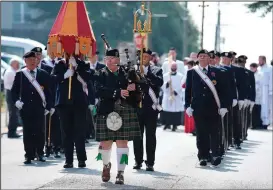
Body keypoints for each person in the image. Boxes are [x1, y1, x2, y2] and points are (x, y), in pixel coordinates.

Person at [94, 48, 141, 185]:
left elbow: (140, 88)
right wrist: (117, 92)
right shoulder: (100, 73)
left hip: (125, 109)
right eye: (107, 59)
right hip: (106, 110)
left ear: (118, 60)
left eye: (112, 59)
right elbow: (98, 90)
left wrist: (134, 87)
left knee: (122, 143)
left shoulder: (127, 73)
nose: (109, 61)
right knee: (105, 143)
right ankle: (106, 165)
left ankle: (121, 172)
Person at [185, 49, 229, 166]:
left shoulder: (216, 72)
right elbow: (188, 91)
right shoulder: (192, 72)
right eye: (201, 56)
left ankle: (215, 155)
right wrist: (187, 106)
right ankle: (203, 156)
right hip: (198, 108)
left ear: (210, 59)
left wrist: (223, 106)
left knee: (214, 132)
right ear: (198, 58)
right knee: (201, 133)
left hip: (213, 107)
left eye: (205, 56)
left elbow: (223, 90)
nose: (203, 58)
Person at [11, 51, 53, 164]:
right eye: (30, 60)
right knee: (28, 132)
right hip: (26, 108)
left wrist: (49, 106)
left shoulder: (43, 74)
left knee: (40, 131)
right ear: (25, 61)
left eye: (35, 60)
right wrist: (16, 102)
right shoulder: (21, 74)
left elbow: (49, 92)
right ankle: (28, 155)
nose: (33, 62)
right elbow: (14, 91)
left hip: (40, 107)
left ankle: (40, 153)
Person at [52, 53, 90, 168]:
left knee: (79, 132)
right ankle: (68, 160)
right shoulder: (60, 64)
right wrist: (65, 75)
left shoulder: (83, 64)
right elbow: (53, 79)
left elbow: (88, 78)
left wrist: (77, 67)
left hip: (79, 103)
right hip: (64, 103)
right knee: (66, 132)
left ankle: (81, 159)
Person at [133, 48, 163, 171]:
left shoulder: (157, 70)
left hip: (151, 108)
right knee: (137, 136)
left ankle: (150, 162)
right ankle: (138, 160)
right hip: (137, 107)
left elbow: (159, 82)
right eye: (142, 56)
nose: (144, 58)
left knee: (150, 136)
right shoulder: (134, 70)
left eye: (146, 56)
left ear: (151, 58)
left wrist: (147, 73)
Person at [161, 62, 183, 131]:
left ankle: (174, 125)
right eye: (172, 66)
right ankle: (167, 124)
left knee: (175, 111)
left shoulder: (180, 76)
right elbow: (162, 85)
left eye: (175, 66)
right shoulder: (165, 76)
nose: (173, 67)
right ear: (170, 67)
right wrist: (167, 84)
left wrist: (176, 91)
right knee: (167, 110)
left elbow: (181, 85)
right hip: (168, 95)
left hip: (176, 95)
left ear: (176, 67)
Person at [4, 58, 22, 138]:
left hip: (11, 93)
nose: (18, 65)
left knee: (14, 114)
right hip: (11, 93)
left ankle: (12, 131)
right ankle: (11, 133)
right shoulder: (11, 72)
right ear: (12, 64)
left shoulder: (11, 71)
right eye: (17, 63)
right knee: (13, 114)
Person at [257, 55, 272, 129]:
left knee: (265, 107)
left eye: (260, 60)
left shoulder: (269, 68)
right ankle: (260, 121)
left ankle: (266, 123)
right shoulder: (259, 69)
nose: (259, 62)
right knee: (260, 106)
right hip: (259, 90)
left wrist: (270, 91)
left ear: (264, 60)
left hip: (266, 89)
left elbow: (271, 79)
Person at [249, 63, 263, 129]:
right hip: (251, 94)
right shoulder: (249, 74)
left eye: (252, 68)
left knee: (257, 110)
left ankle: (256, 124)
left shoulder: (260, 75)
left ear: (255, 68)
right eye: (250, 68)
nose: (251, 69)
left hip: (258, 95)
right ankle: (252, 124)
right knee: (252, 110)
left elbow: (259, 85)